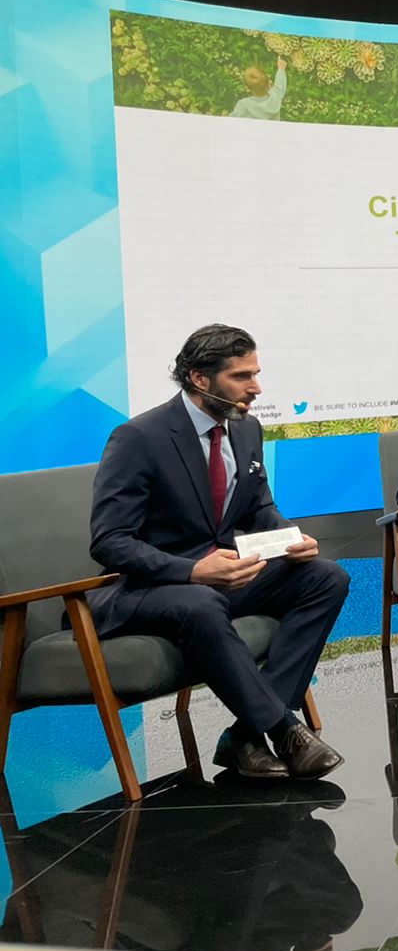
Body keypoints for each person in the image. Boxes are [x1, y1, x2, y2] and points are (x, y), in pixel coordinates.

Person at [88, 324, 348, 781]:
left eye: (256, 374)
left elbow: (258, 507)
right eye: (241, 376)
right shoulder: (138, 438)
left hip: (222, 578)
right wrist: (193, 571)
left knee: (327, 578)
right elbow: (109, 542)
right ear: (199, 378)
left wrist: (290, 537)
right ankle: (283, 727)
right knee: (202, 602)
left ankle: (245, 734)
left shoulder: (246, 429)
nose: (256, 387)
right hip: (150, 588)